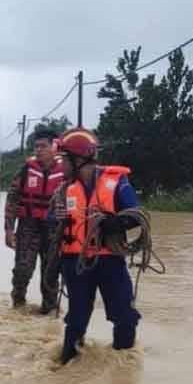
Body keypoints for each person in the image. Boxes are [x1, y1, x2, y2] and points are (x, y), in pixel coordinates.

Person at [50, 127, 142, 365]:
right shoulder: (64, 188)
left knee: (125, 316)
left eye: (64, 160)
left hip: (110, 259)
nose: (61, 166)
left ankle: (124, 366)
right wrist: (56, 217)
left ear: (78, 159)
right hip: (76, 262)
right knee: (77, 319)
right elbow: (51, 220)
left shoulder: (116, 182)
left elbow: (136, 215)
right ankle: (68, 365)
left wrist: (113, 224)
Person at [4, 128, 66, 313]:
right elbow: (12, 199)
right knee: (23, 269)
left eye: (43, 146)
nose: (38, 150)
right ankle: (18, 304)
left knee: (50, 273)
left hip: (54, 228)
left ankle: (49, 310)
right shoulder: (26, 170)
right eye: (36, 146)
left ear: (54, 146)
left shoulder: (67, 172)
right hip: (28, 225)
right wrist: (8, 229)